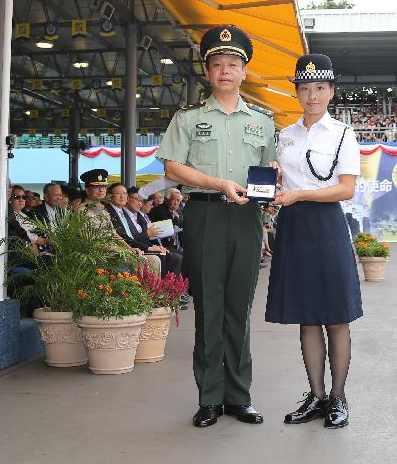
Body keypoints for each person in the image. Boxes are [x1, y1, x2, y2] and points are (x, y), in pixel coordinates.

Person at [155, 25, 275, 428]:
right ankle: (209, 397)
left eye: (233, 64)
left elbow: (274, 166)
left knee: (239, 308)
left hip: (247, 217)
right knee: (208, 307)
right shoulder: (188, 119)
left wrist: (273, 173)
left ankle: (239, 397)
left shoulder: (263, 120)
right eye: (217, 64)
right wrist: (217, 182)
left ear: (244, 72)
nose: (225, 70)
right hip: (204, 213)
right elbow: (172, 166)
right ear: (207, 72)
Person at [265, 53, 362, 429]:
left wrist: (299, 195)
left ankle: (338, 396)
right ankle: (316, 396)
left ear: (331, 91)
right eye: (304, 88)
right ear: (297, 93)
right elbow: (279, 183)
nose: (312, 95)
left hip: (327, 226)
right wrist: (272, 176)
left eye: (319, 87)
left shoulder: (343, 134)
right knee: (308, 316)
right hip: (293, 227)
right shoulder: (284, 136)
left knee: (336, 315)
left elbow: (346, 189)